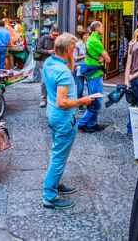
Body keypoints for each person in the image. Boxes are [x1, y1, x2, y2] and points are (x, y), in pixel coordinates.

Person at [42, 33, 96, 209]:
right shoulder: (63, 72)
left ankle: (56, 184)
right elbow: (63, 102)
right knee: (58, 157)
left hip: (53, 115)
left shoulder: (49, 63)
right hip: (63, 117)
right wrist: (83, 101)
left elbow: (70, 70)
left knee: (57, 152)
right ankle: (49, 195)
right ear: (69, 50)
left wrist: (69, 56)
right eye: (74, 49)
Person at [78, 21, 110, 133]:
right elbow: (108, 59)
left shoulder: (90, 39)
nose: (103, 28)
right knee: (95, 99)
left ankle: (92, 124)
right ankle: (82, 123)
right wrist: (102, 58)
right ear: (97, 29)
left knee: (95, 97)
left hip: (92, 72)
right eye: (102, 27)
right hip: (94, 74)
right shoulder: (95, 41)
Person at [34, 26, 59, 108]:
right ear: (50, 32)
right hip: (43, 62)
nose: (55, 36)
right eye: (54, 35)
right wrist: (48, 51)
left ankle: (53, 98)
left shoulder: (58, 40)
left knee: (54, 80)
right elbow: (38, 49)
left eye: (57, 35)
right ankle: (43, 99)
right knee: (44, 81)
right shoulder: (44, 38)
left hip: (54, 62)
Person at [74, 30, 88, 98]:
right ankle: (79, 104)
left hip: (89, 67)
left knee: (90, 87)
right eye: (86, 35)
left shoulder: (89, 44)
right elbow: (75, 58)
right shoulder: (77, 44)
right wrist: (84, 56)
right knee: (80, 87)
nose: (87, 37)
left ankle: (90, 103)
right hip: (80, 67)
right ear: (82, 36)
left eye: (88, 35)